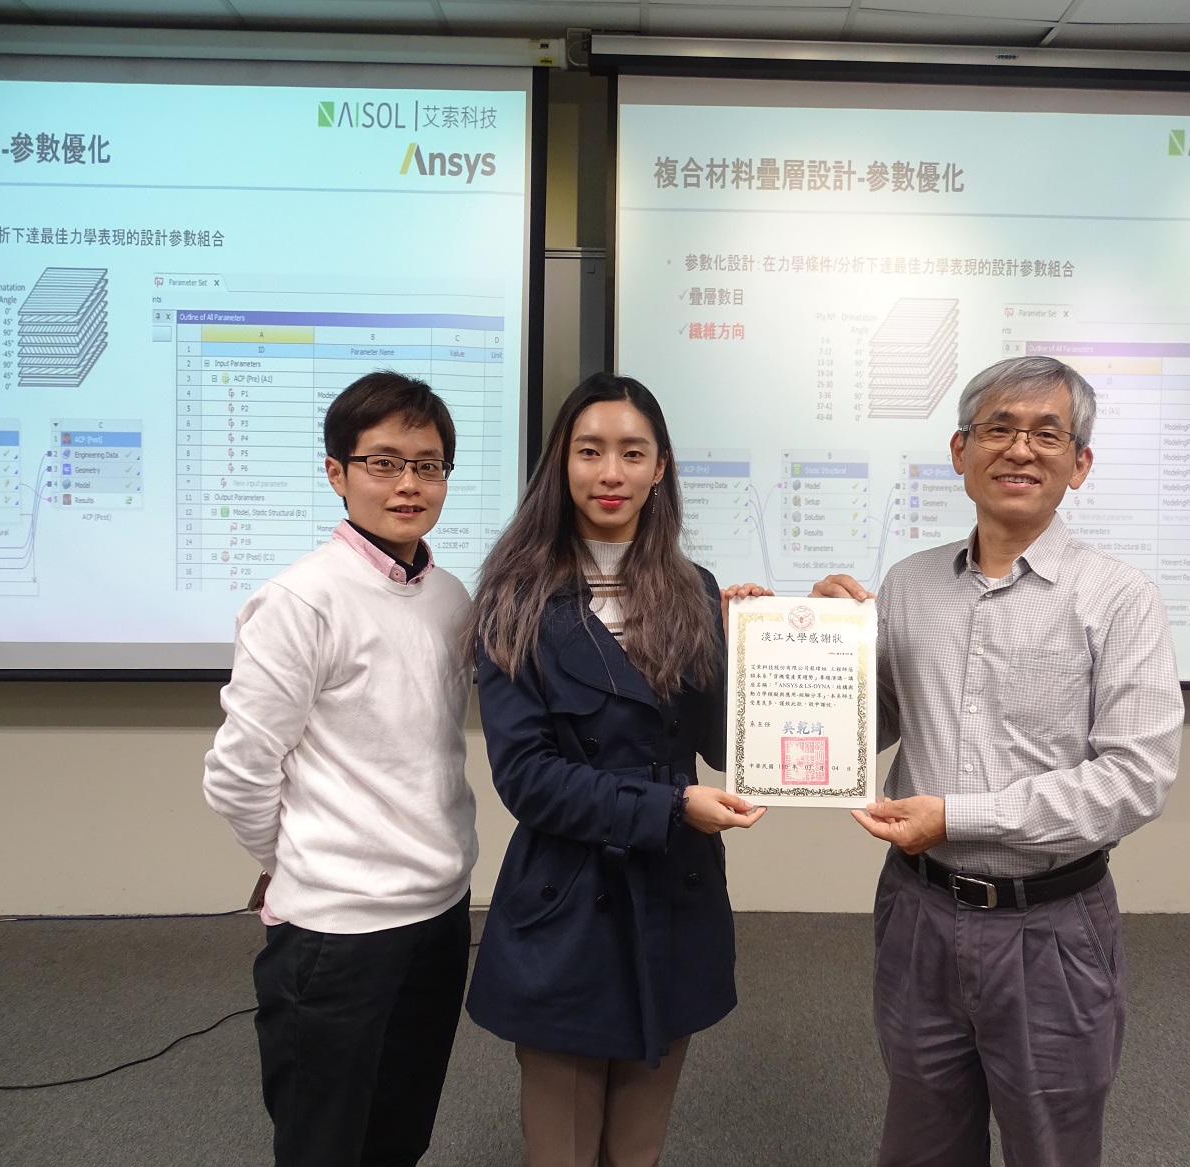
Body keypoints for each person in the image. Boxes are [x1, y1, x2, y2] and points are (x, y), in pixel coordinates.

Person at [813, 355, 1184, 1167]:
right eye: (999, 429)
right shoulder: (908, 584)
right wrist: (818, 648)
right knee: (922, 1141)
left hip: (1050, 925)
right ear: (960, 451)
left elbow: (1135, 778)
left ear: (1079, 463)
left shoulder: (1119, 597)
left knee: (1051, 1148)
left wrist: (958, 816)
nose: (1020, 449)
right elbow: (875, 722)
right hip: (919, 911)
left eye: (1047, 434)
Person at [466, 372, 768, 1167]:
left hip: (675, 891)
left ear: (660, 467)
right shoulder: (514, 597)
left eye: (633, 453)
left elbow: (720, 741)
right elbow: (527, 777)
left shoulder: (693, 588)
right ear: (560, 463)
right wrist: (670, 807)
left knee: (638, 1147)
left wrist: (760, 643)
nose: (611, 473)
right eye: (590, 451)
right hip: (570, 896)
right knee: (561, 1150)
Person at [203, 371, 476, 1167]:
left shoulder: (449, 596)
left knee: (400, 1130)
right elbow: (239, 773)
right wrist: (296, 861)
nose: (408, 484)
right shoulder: (300, 601)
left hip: (440, 910)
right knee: (323, 1141)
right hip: (338, 929)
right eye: (383, 462)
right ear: (337, 472)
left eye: (427, 465)